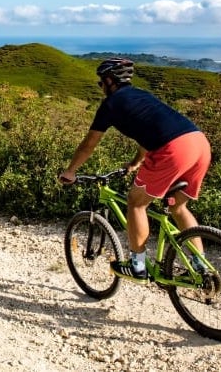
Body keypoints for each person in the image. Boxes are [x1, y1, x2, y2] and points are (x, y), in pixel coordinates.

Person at [59, 58, 211, 284]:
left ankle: (137, 265)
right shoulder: (143, 96)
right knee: (178, 206)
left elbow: (89, 144)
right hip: (199, 144)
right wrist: (135, 162)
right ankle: (200, 268)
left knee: (136, 202)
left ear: (110, 81)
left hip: (173, 150)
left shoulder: (110, 105)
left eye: (101, 83)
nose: (101, 88)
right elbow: (148, 136)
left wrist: (70, 171)